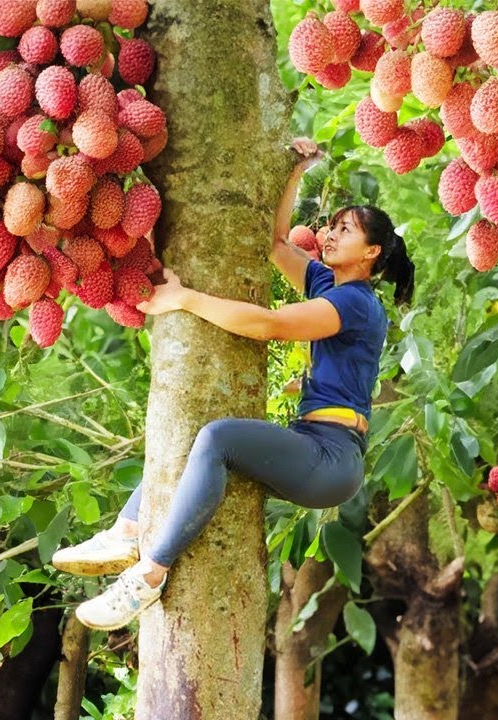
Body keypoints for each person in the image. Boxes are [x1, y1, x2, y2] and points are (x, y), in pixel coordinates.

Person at [52, 138, 416, 631]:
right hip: (311, 442)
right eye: (330, 226)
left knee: (217, 437)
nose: (329, 234)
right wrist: (296, 171)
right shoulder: (327, 283)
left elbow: (269, 325)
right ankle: (125, 530)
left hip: (333, 457)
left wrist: (184, 298)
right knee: (191, 441)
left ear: (371, 251)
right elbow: (274, 244)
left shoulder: (358, 303)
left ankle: (148, 576)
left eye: (345, 230)